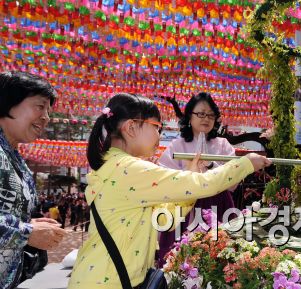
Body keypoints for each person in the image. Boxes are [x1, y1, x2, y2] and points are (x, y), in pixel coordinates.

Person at [68, 93, 270, 289]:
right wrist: (245, 164)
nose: (160, 134)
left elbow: (165, 220)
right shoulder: (129, 168)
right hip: (108, 281)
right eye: (157, 126)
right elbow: (203, 184)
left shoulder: (117, 166)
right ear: (131, 127)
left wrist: (191, 178)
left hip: (112, 278)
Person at [0, 71, 66, 289]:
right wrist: (26, 232)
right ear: (9, 103)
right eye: (40, 106)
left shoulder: (13, 155)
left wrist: (29, 225)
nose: (46, 117)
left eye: (48, 110)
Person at [157, 92, 239, 265]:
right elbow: (164, 178)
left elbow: (233, 184)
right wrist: (189, 173)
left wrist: (211, 166)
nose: (206, 119)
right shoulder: (177, 145)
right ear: (189, 116)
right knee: (181, 258)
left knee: (218, 257)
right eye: (201, 113)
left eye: (211, 115)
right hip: (185, 206)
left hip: (218, 204)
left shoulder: (223, 144)